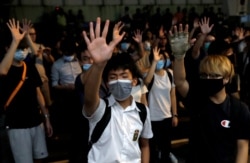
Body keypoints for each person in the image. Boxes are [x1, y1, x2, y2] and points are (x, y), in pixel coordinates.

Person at [170, 24, 250, 163]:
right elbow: (180, 81)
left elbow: (242, 147)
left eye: (213, 76)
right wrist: (179, 56)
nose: (208, 79)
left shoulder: (239, 109)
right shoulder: (197, 100)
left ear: (226, 78)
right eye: (205, 75)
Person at [82, 17, 153, 163]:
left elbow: (144, 145)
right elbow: (89, 97)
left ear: (134, 81)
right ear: (107, 84)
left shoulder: (143, 111)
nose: (118, 80)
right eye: (113, 77)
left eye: (124, 76)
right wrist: (98, 65)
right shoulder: (100, 109)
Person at [0, 18, 53, 163]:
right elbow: (2, 71)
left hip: (36, 123)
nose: (22, 52)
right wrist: (15, 41)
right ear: (8, 48)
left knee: (41, 158)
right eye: (18, 49)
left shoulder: (28, 66)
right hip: (17, 126)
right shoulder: (5, 67)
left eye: (23, 49)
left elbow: (38, 93)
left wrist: (46, 119)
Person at [144, 47, 178, 163]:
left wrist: (175, 114)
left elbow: (173, 95)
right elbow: (146, 82)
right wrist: (154, 62)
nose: (161, 61)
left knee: (166, 148)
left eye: (162, 58)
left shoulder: (170, 74)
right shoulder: (149, 74)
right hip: (152, 117)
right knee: (152, 149)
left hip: (167, 116)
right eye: (158, 59)